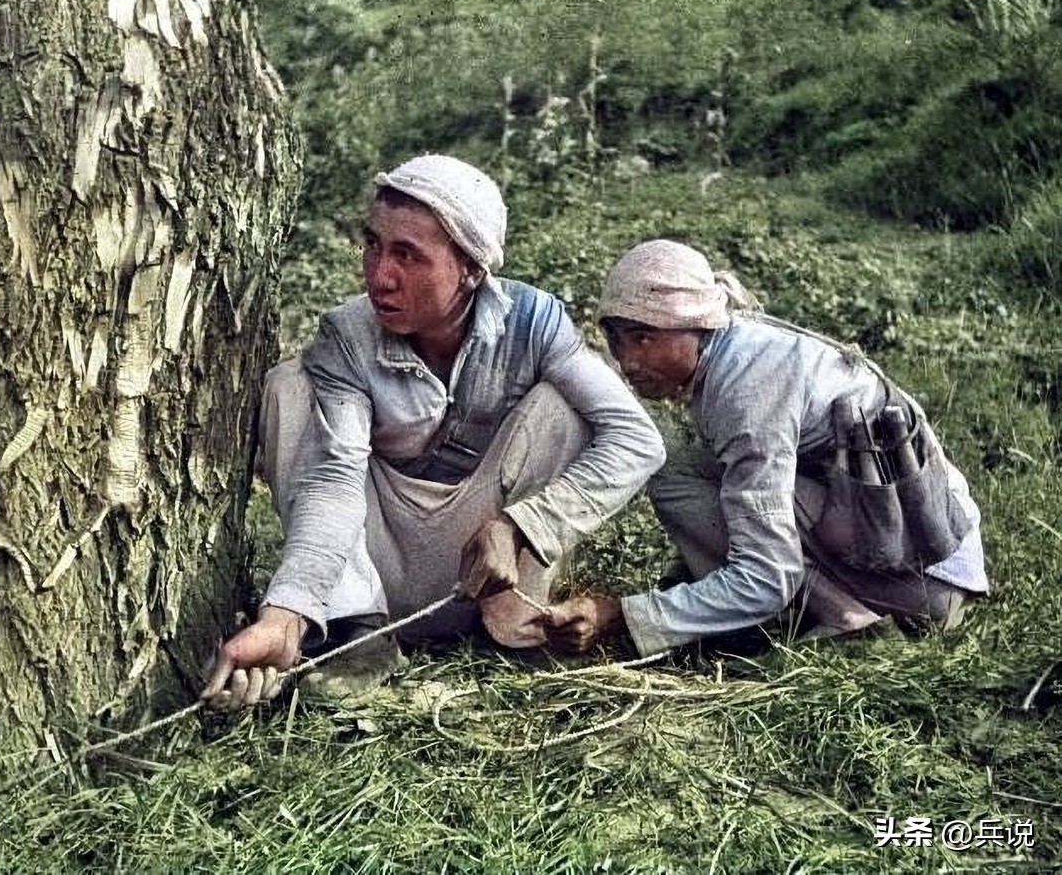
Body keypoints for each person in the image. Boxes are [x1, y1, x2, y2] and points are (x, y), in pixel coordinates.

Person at [202, 155, 667, 707]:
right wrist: (289, 611)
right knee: (289, 387)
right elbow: (333, 477)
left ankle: (513, 626)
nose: (379, 275)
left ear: (471, 269)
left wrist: (520, 524)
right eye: (373, 245)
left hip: (486, 570)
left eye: (407, 255)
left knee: (560, 406)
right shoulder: (347, 338)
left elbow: (638, 440)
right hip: (376, 560)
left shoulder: (532, 322)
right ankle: (357, 632)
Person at [544, 239, 988, 657]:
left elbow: (767, 578)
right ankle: (800, 606)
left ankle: (848, 619)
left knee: (679, 472)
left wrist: (624, 614)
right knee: (682, 466)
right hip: (925, 562)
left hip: (927, 584)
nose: (628, 362)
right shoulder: (740, 349)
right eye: (617, 340)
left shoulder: (746, 390)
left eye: (643, 338)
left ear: (696, 324)